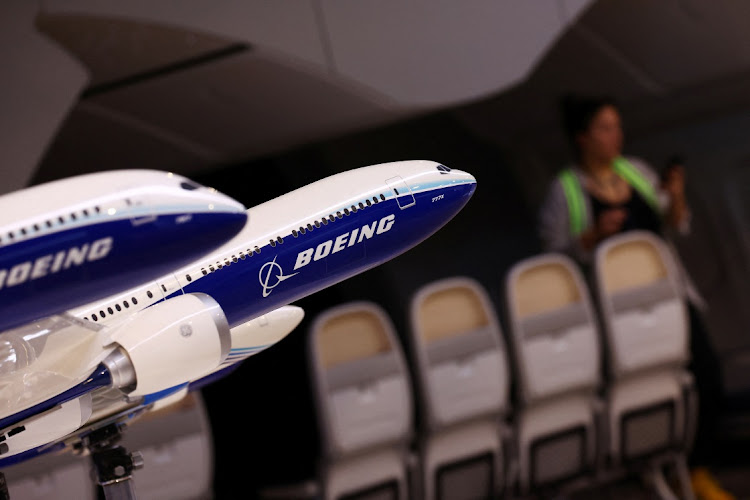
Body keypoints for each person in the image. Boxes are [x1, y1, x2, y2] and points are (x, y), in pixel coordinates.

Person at [538, 93, 731, 500]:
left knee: (707, 373)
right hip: (617, 311)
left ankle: (696, 470)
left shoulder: (637, 171)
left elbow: (676, 224)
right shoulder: (565, 190)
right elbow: (553, 259)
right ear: (583, 138)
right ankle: (657, 467)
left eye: (617, 127)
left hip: (668, 295)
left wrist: (676, 194)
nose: (616, 136)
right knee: (647, 389)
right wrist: (592, 236)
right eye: (606, 128)